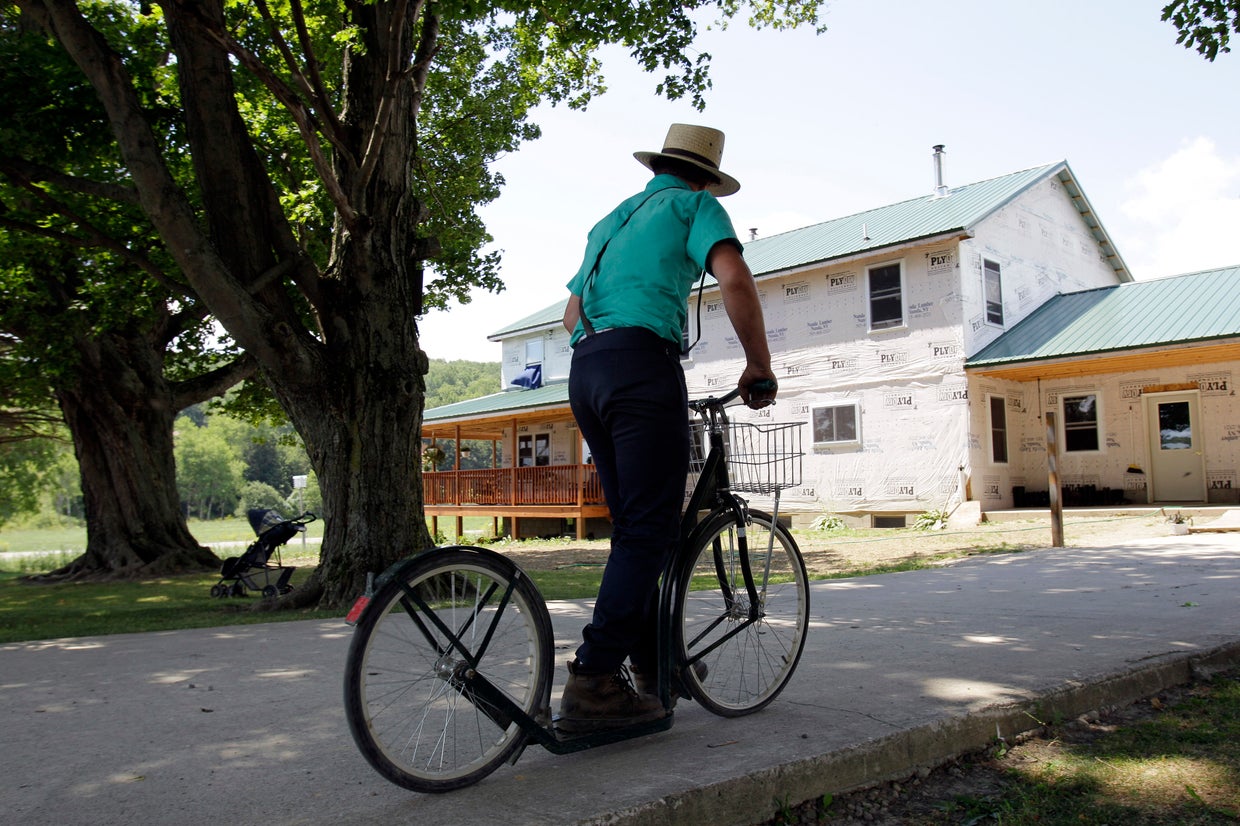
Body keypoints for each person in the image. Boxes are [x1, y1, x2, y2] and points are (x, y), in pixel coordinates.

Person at [558, 123, 777, 733]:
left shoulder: (610, 221)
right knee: (652, 530)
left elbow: (572, 313)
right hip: (640, 367)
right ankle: (595, 679)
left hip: (587, 368)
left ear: (658, 166)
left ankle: (658, 663)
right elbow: (734, 278)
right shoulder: (694, 207)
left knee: (634, 528)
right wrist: (759, 366)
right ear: (705, 179)